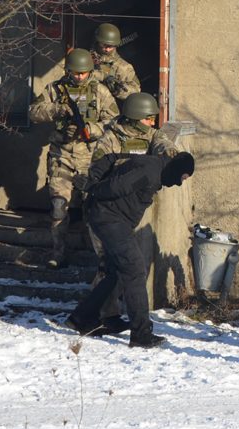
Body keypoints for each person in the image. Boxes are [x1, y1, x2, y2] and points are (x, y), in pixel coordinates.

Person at [65, 151, 195, 348]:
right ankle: (141, 334)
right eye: (182, 178)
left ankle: (83, 318)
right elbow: (116, 187)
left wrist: (94, 183)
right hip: (109, 219)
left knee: (117, 271)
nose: (179, 183)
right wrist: (92, 187)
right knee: (135, 269)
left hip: (112, 219)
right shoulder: (150, 172)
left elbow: (113, 158)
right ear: (177, 169)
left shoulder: (155, 164)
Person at [86, 92, 178, 335]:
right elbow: (96, 174)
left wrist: (172, 156)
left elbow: (164, 144)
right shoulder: (110, 140)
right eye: (149, 118)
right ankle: (96, 317)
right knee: (107, 265)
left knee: (119, 265)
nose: (152, 122)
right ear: (135, 118)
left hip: (128, 211)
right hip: (106, 209)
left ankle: (109, 315)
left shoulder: (151, 136)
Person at [29, 48, 118, 268]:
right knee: (59, 205)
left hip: (91, 157)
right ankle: (58, 253)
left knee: (94, 207)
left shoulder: (100, 91)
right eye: (75, 73)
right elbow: (33, 112)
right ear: (68, 70)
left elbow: (114, 121)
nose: (79, 77)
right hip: (62, 155)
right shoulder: (55, 89)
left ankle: (101, 256)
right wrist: (58, 110)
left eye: (83, 73)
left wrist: (92, 129)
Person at [91, 23, 140, 105]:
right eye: (104, 45)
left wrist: (117, 90)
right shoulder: (85, 58)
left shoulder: (123, 67)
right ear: (98, 41)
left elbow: (136, 92)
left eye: (111, 46)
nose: (107, 49)